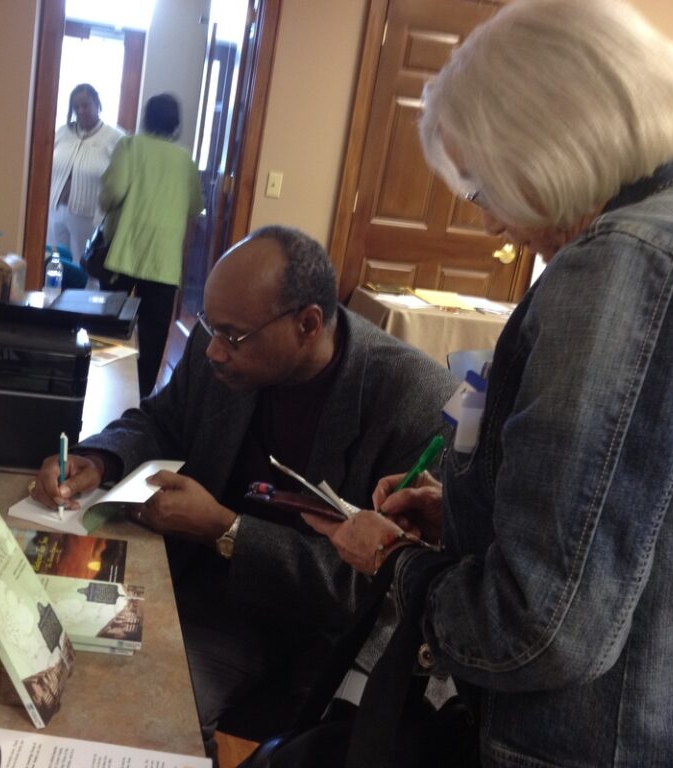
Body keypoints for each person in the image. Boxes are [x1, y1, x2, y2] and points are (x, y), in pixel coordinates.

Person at [306, 1, 673, 765]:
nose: (493, 224)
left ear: (551, 145)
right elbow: (660, 513)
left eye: (483, 187)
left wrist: (396, 564)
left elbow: (542, 626)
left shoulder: (623, 267)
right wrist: (477, 511)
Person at [28, 225, 458, 753]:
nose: (213, 349)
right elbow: (163, 420)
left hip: (319, 634)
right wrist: (100, 458)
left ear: (308, 324)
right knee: (82, 677)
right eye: (210, 325)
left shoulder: (414, 401)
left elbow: (369, 586)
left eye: (231, 336)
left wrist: (227, 530)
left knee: (154, 722)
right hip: (203, 588)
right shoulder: (224, 348)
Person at [97, 93, 204, 398]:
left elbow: (113, 192)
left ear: (146, 117)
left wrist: (106, 201)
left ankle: (104, 389)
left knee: (110, 327)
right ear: (176, 124)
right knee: (154, 336)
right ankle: (140, 399)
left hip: (124, 252)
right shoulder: (185, 160)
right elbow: (194, 206)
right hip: (163, 260)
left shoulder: (130, 146)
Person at [47, 83, 123, 259]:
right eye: (76, 107)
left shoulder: (115, 138)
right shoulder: (63, 132)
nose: (81, 111)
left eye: (86, 105)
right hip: (56, 210)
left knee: (81, 264)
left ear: (97, 104)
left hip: (87, 215)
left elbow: (120, 180)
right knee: (54, 261)